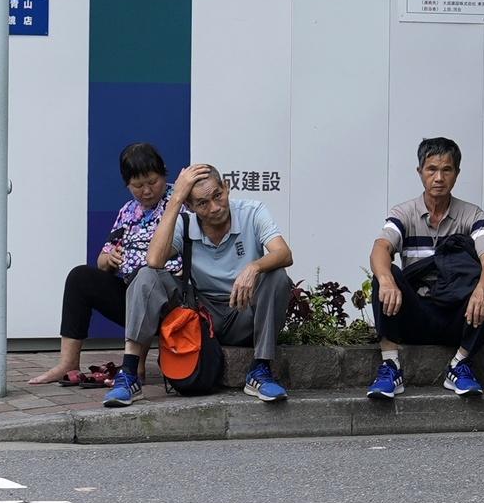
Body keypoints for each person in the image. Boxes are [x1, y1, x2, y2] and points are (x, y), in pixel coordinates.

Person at [103, 164, 294, 406]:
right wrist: (175, 200)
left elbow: (283, 253)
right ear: (190, 206)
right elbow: (154, 260)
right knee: (146, 276)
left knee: (277, 276)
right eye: (202, 203)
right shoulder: (185, 222)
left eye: (218, 195)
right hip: (201, 315)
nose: (215, 207)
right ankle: (129, 374)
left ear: (226, 187)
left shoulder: (252, 212)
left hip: (243, 312)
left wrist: (253, 267)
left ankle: (260, 369)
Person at [28, 143, 182, 385]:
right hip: (130, 294)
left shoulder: (180, 201)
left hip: (171, 298)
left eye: (152, 182)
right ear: (127, 184)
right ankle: (68, 362)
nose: (146, 191)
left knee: (145, 274)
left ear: (163, 172)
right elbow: (103, 259)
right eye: (137, 186)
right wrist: (109, 260)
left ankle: (136, 366)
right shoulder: (128, 211)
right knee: (80, 277)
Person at [367, 137, 484, 398]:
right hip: (414, 315)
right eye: (431, 169)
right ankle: (391, 367)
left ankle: (460, 364)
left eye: (446, 170)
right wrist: (386, 280)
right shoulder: (404, 212)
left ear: (457, 173)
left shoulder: (471, 215)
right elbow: (381, 247)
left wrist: (482, 290)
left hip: (457, 316)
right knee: (385, 275)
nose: (439, 178)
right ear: (420, 171)